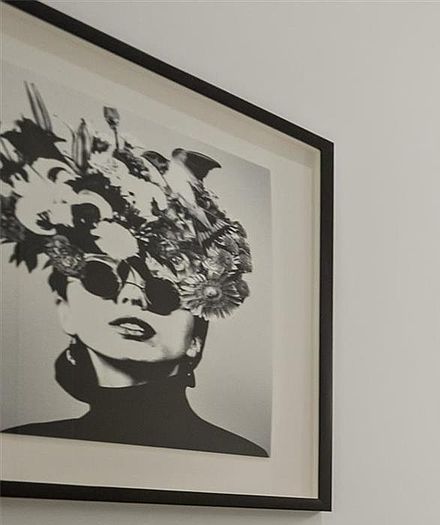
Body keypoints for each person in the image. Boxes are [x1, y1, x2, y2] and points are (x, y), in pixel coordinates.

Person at [0, 83, 264, 456]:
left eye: (164, 290)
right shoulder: (22, 449)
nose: (132, 297)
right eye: (100, 279)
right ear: (65, 311)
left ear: (196, 339)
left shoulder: (242, 459)